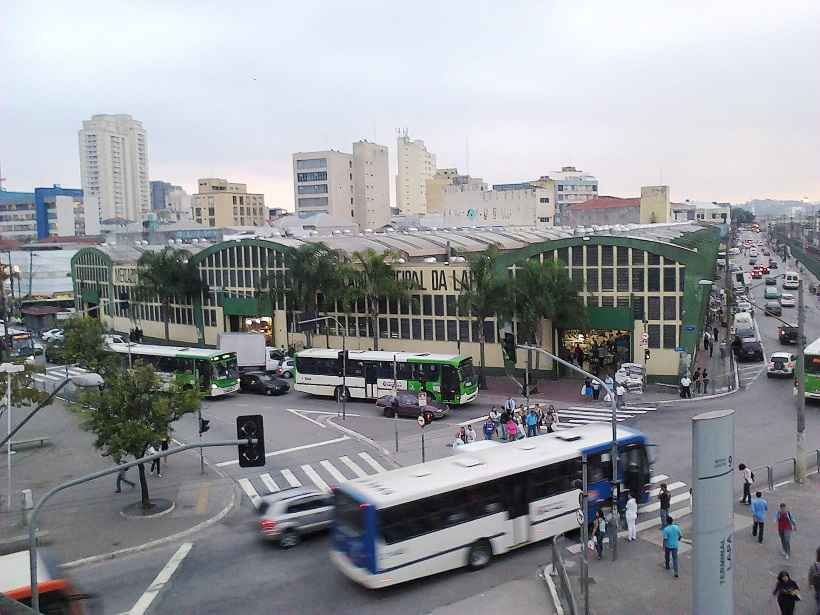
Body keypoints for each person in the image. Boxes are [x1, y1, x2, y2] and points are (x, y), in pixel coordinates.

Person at [808, 546, 820, 614]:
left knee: (818, 597)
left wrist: (810, 584)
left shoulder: (814, 566)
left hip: (817, 586)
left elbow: (810, 576)